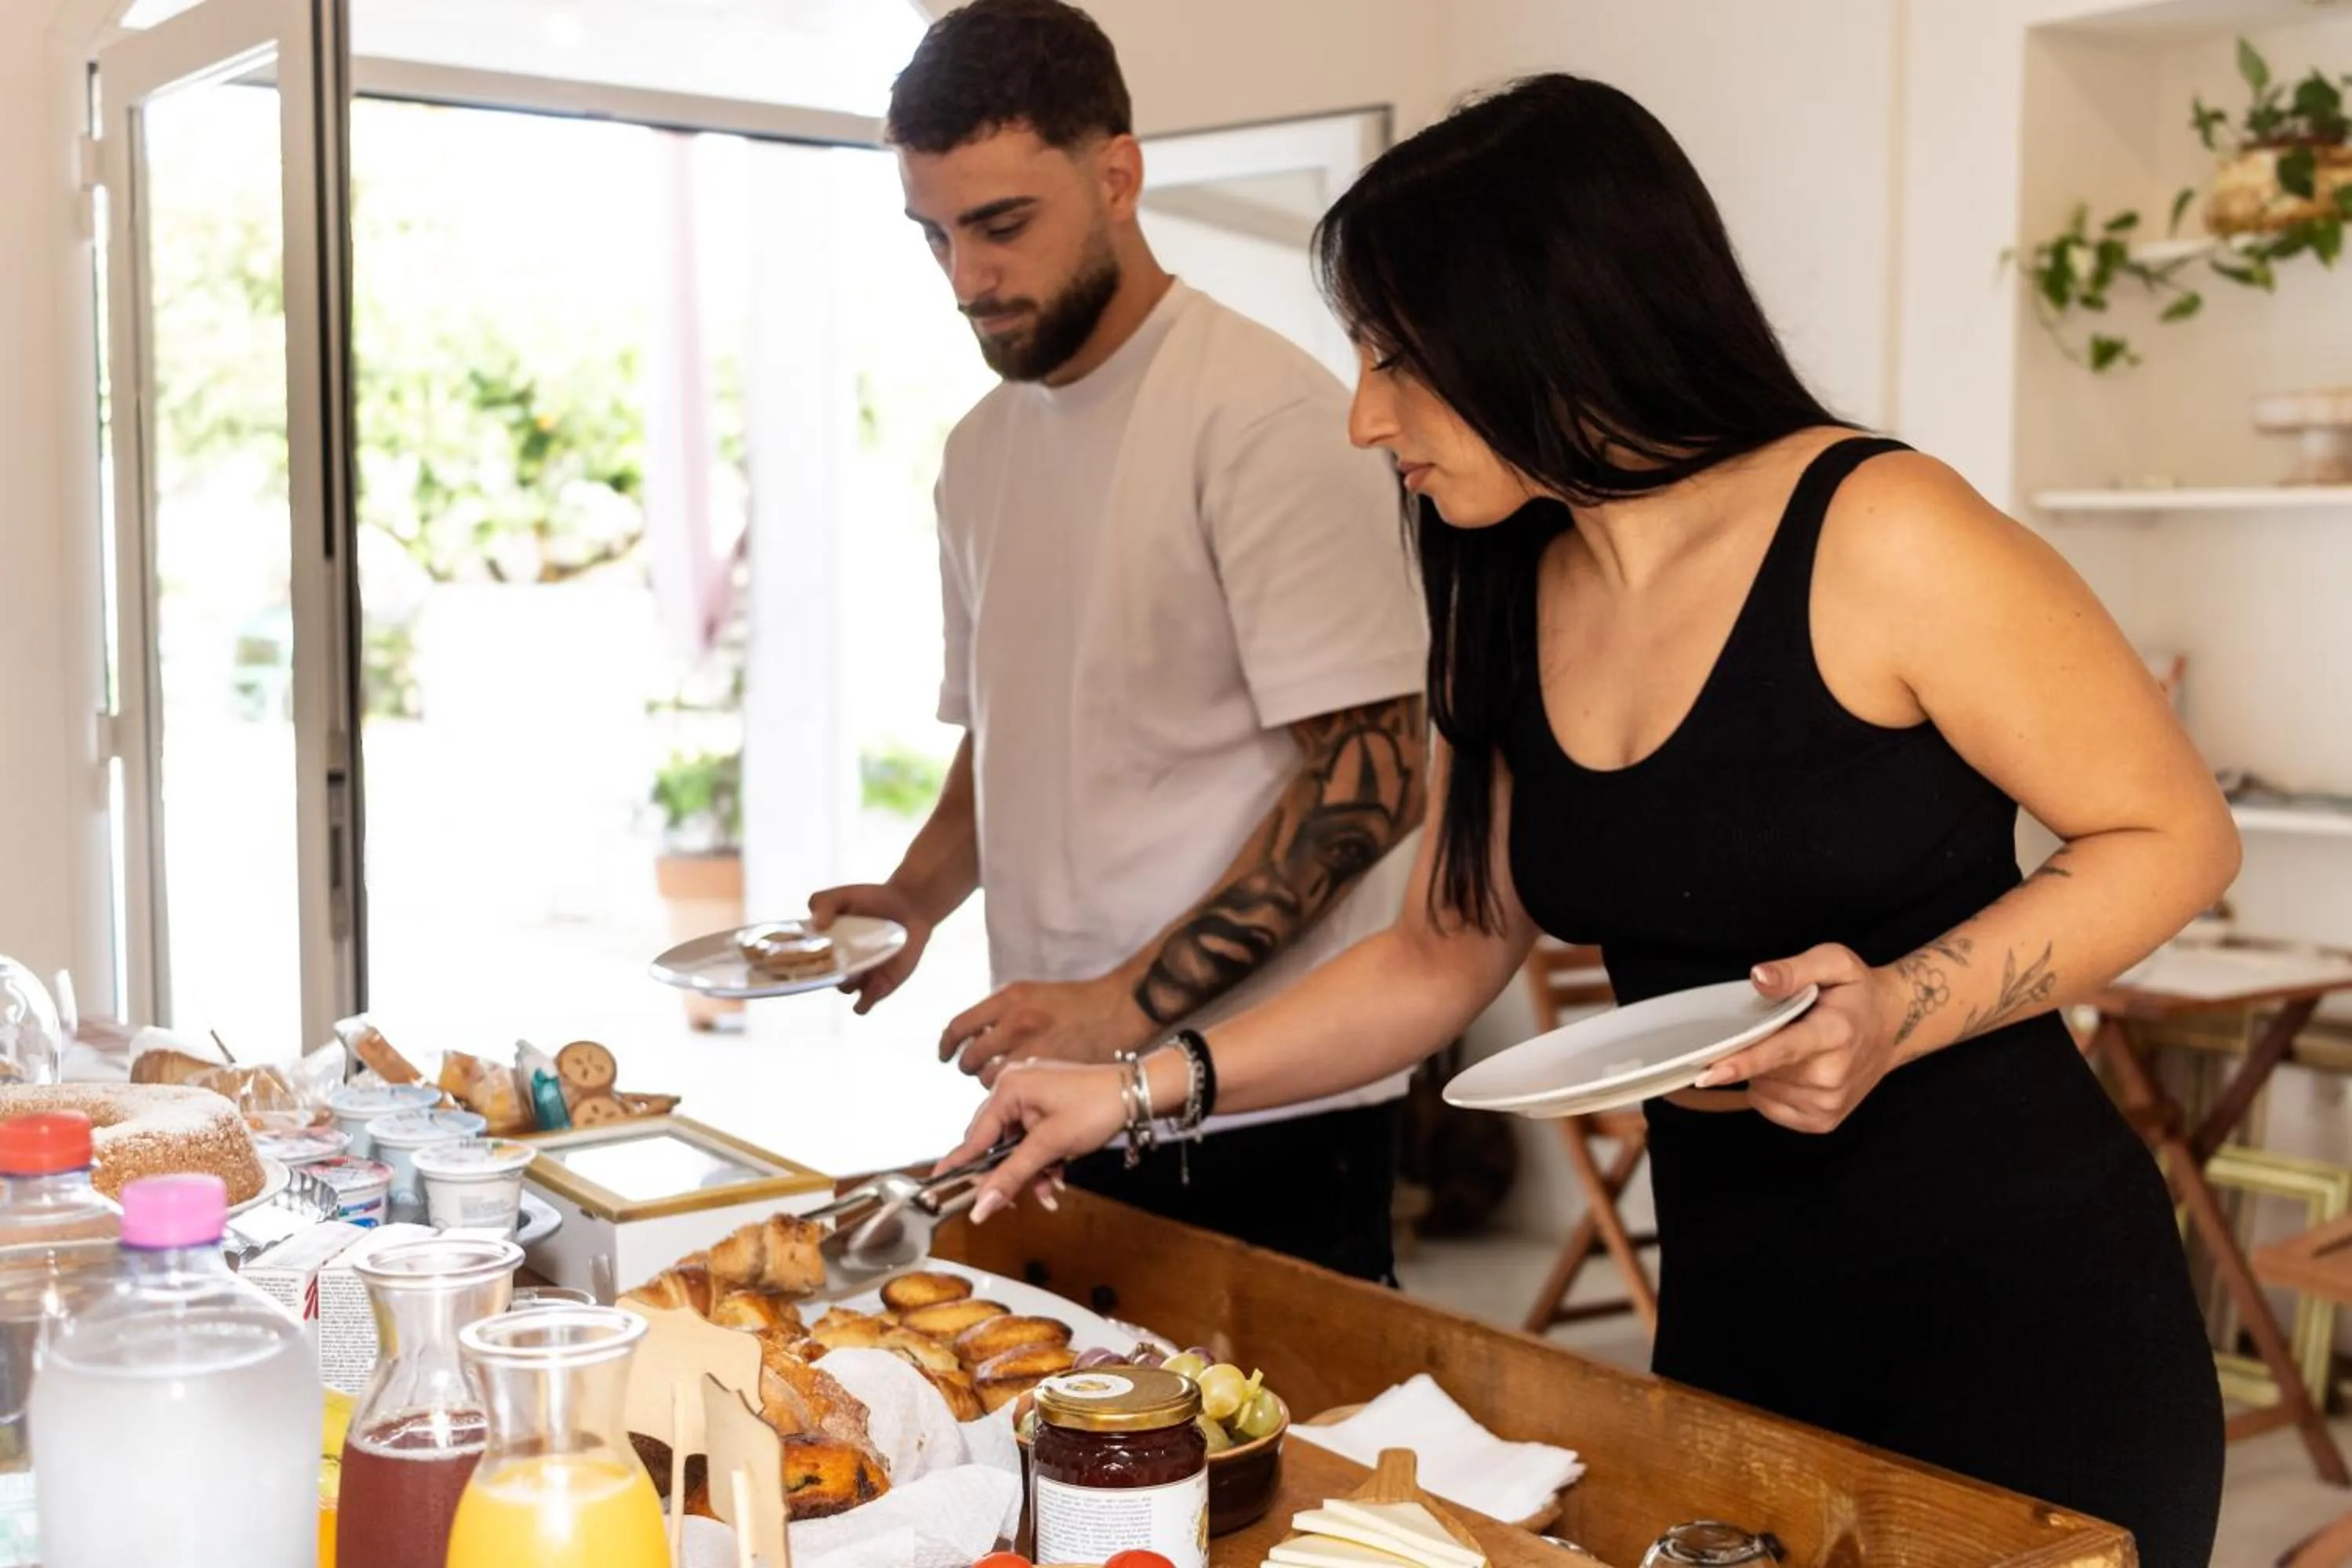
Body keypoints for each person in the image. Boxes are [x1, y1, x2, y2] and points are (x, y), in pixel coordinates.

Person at [940, 74, 2233, 1566]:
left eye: (1395, 359)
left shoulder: (1880, 531)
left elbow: (2173, 834)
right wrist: (1142, 1084)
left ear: (1549, 321)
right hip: (1741, 1318)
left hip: (2020, 1310)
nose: (1365, 419)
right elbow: (1444, 951)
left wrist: (1896, 1012)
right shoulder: (1510, 579)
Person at [810, 0, 1429, 1281]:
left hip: (1261, 1112)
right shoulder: (980, 453)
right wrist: (920, 894)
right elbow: (1015, 723)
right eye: (934, 236)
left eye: (1001, 224)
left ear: (1118, 177)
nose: (966, 278)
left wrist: (1123, 1007)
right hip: (1059, 1093)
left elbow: (1372, 786)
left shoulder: (1264, 420)